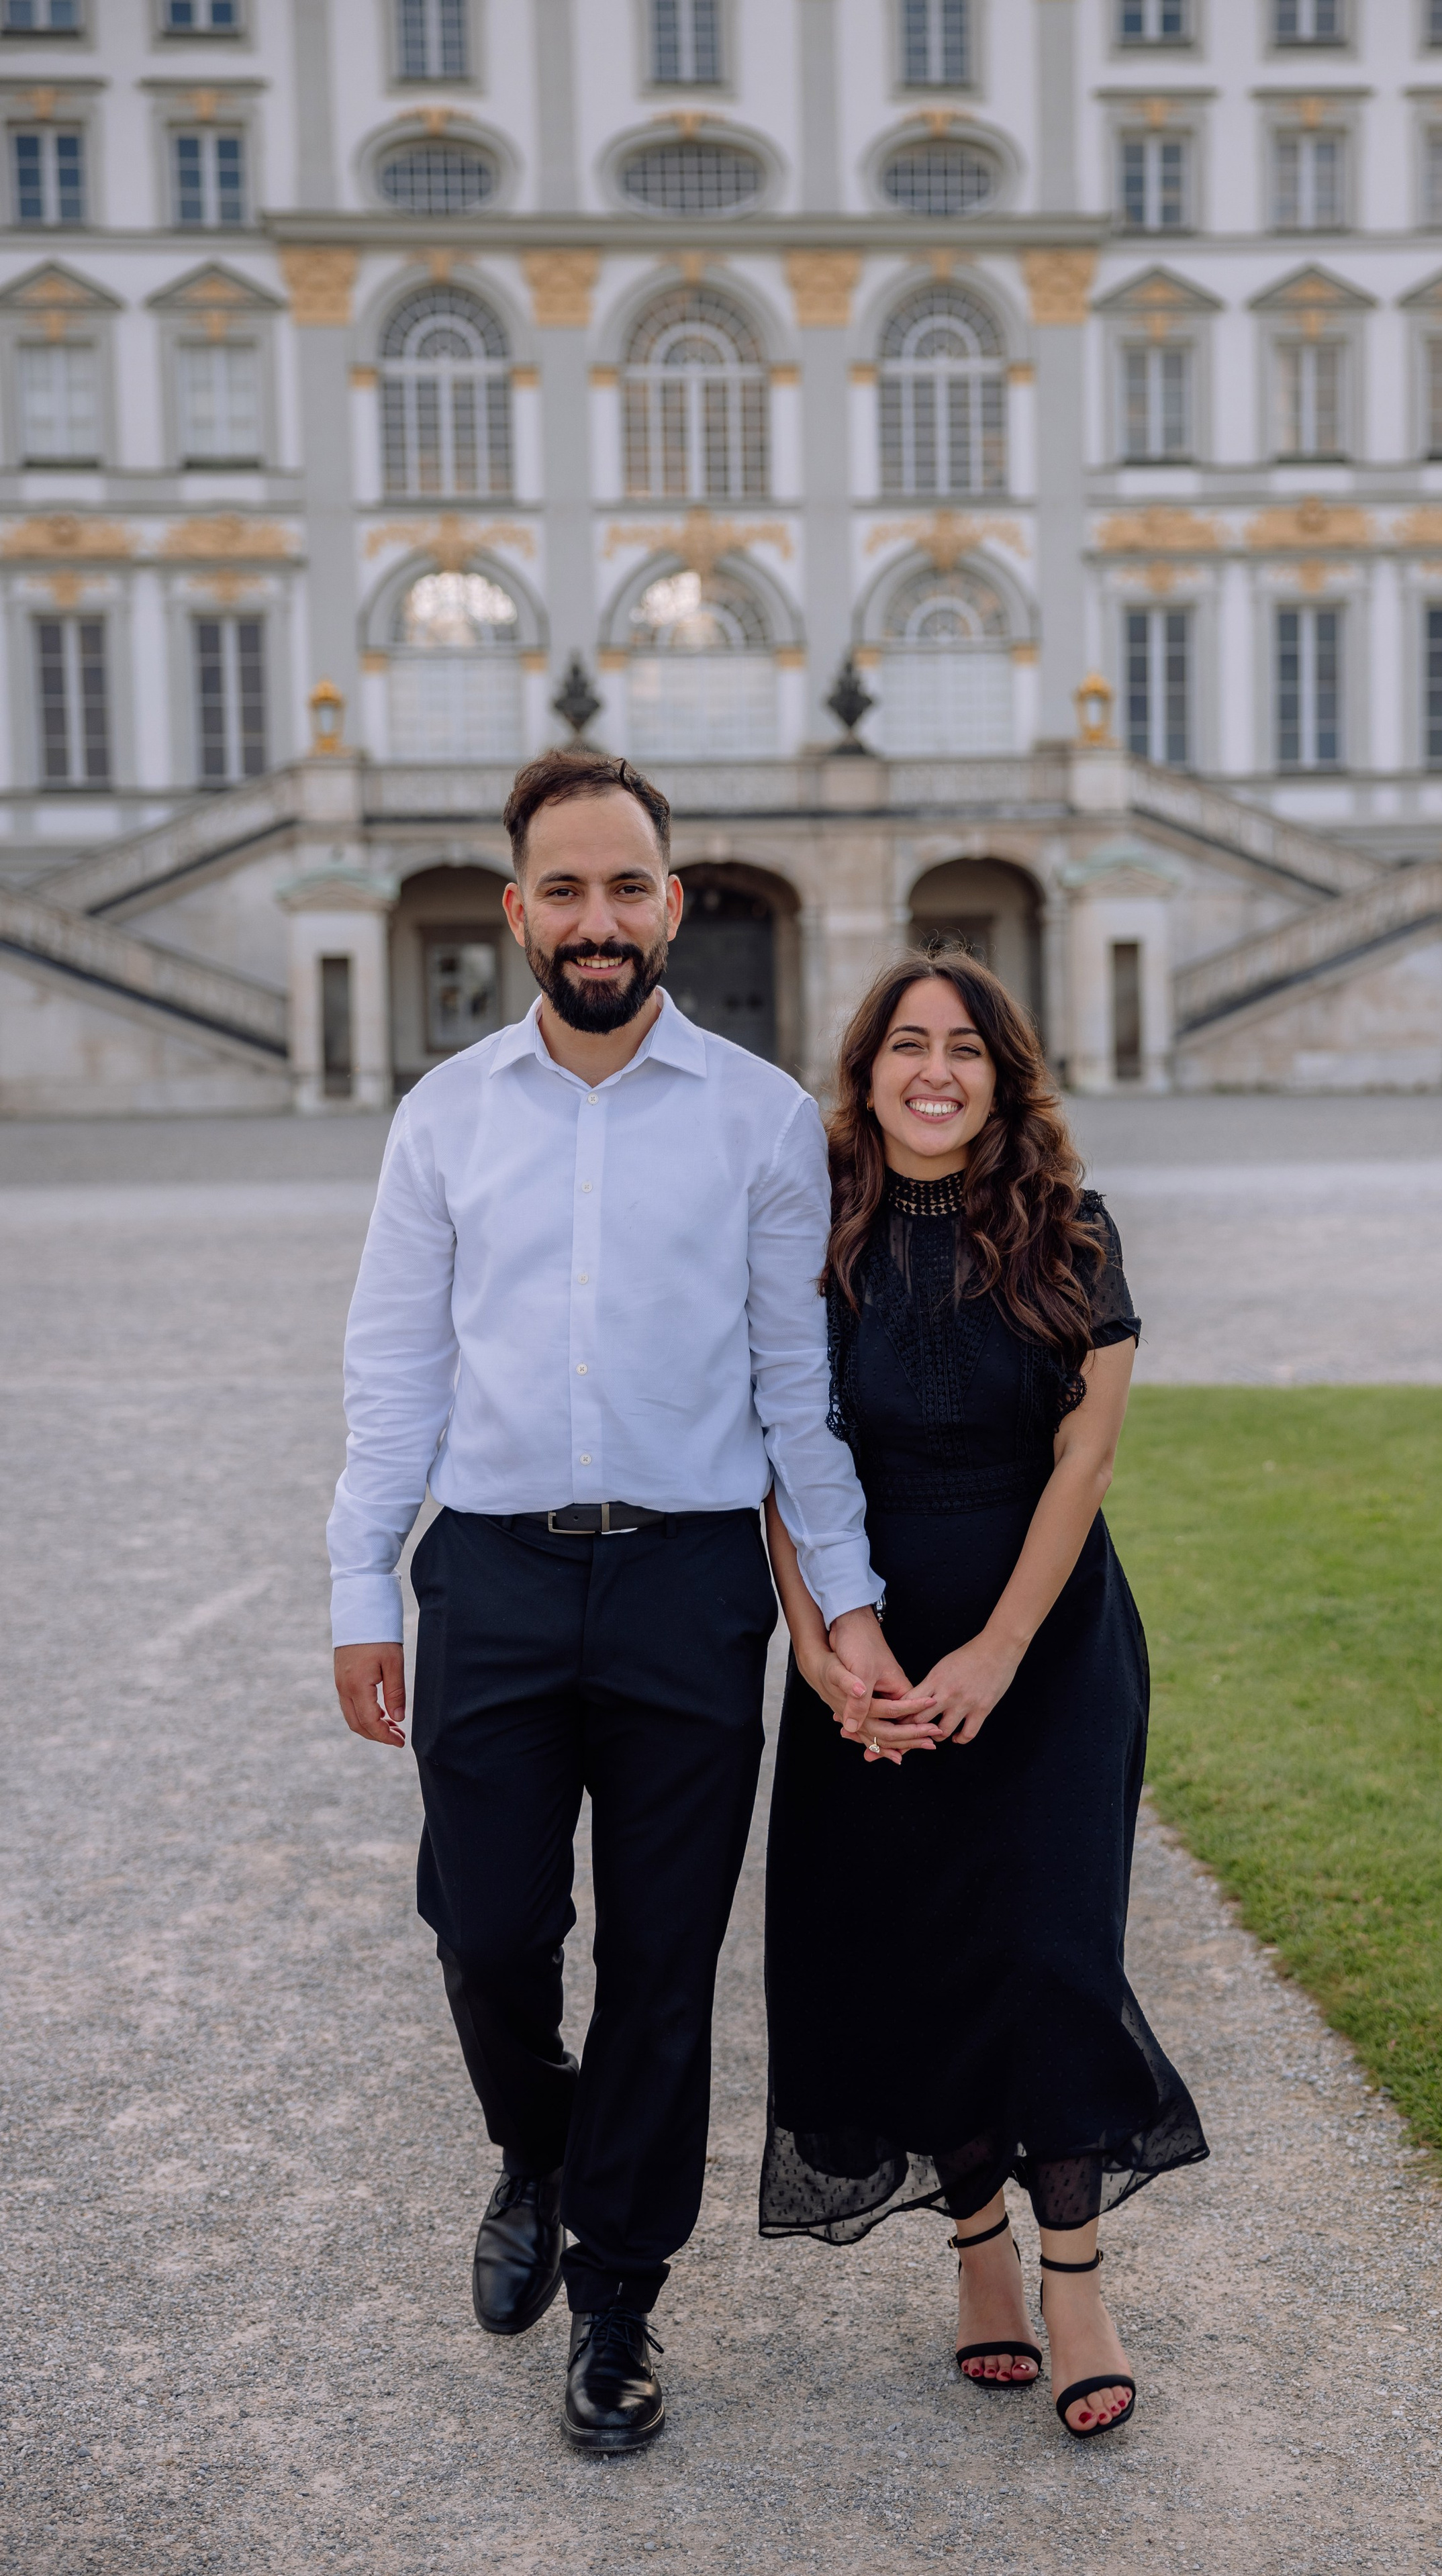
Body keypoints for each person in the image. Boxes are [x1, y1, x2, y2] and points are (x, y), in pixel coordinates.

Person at [328, 750, 920, 2455]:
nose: (599, 918)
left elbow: (795, 1388)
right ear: (519, 911)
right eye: (565, 888)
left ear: (675, 901)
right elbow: (391, 1370)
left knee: (665, 1962)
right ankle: (539, 2141)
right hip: (495, 1577)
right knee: (490, 1931)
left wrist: (852, 1604)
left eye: (628, 885)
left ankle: (617, 2300)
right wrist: (362, 1582)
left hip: (683, 1585)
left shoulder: (753, 1119)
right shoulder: (443, 1116)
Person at [759, 952, 1209, 2439]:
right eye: (906, 1044)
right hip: (872, 1636)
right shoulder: (808, 1230)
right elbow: (777, 1443)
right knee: (919, 1947)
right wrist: (825, 1644)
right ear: (865, 1067)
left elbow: (1083, 1460)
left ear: (1003, 1073)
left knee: (1045, 1947)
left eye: (964, 1047)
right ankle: (976, 2260)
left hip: (1049, 1639)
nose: (933, 1070)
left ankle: (1073, 2272)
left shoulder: (1069, 1229)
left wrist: (1003, 1649)